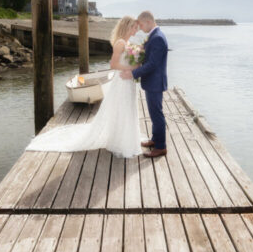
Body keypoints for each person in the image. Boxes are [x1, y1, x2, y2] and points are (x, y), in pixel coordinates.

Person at [25, 16, 143, 158]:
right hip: (122, 81)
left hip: (128, 82)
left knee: (128, 109)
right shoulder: (120, 43)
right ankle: (122, 142)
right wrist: (131, 67)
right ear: (127, 27)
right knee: (123, 108)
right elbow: (113, 65)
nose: (136, 30)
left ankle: (127, 138)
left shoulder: (129, 43)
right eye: (134, 27)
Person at [120, 11, 168, 157]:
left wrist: (133, 73)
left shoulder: (158, 38)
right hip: (152, 82)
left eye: (140, 25)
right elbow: (149, 58)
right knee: (153, 113)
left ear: (148, 22)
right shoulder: (154, 36)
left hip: (155, 82)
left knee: (157, 114)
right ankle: (155, 139)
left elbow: (153, 64)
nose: (140, 28)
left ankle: (160, 147)